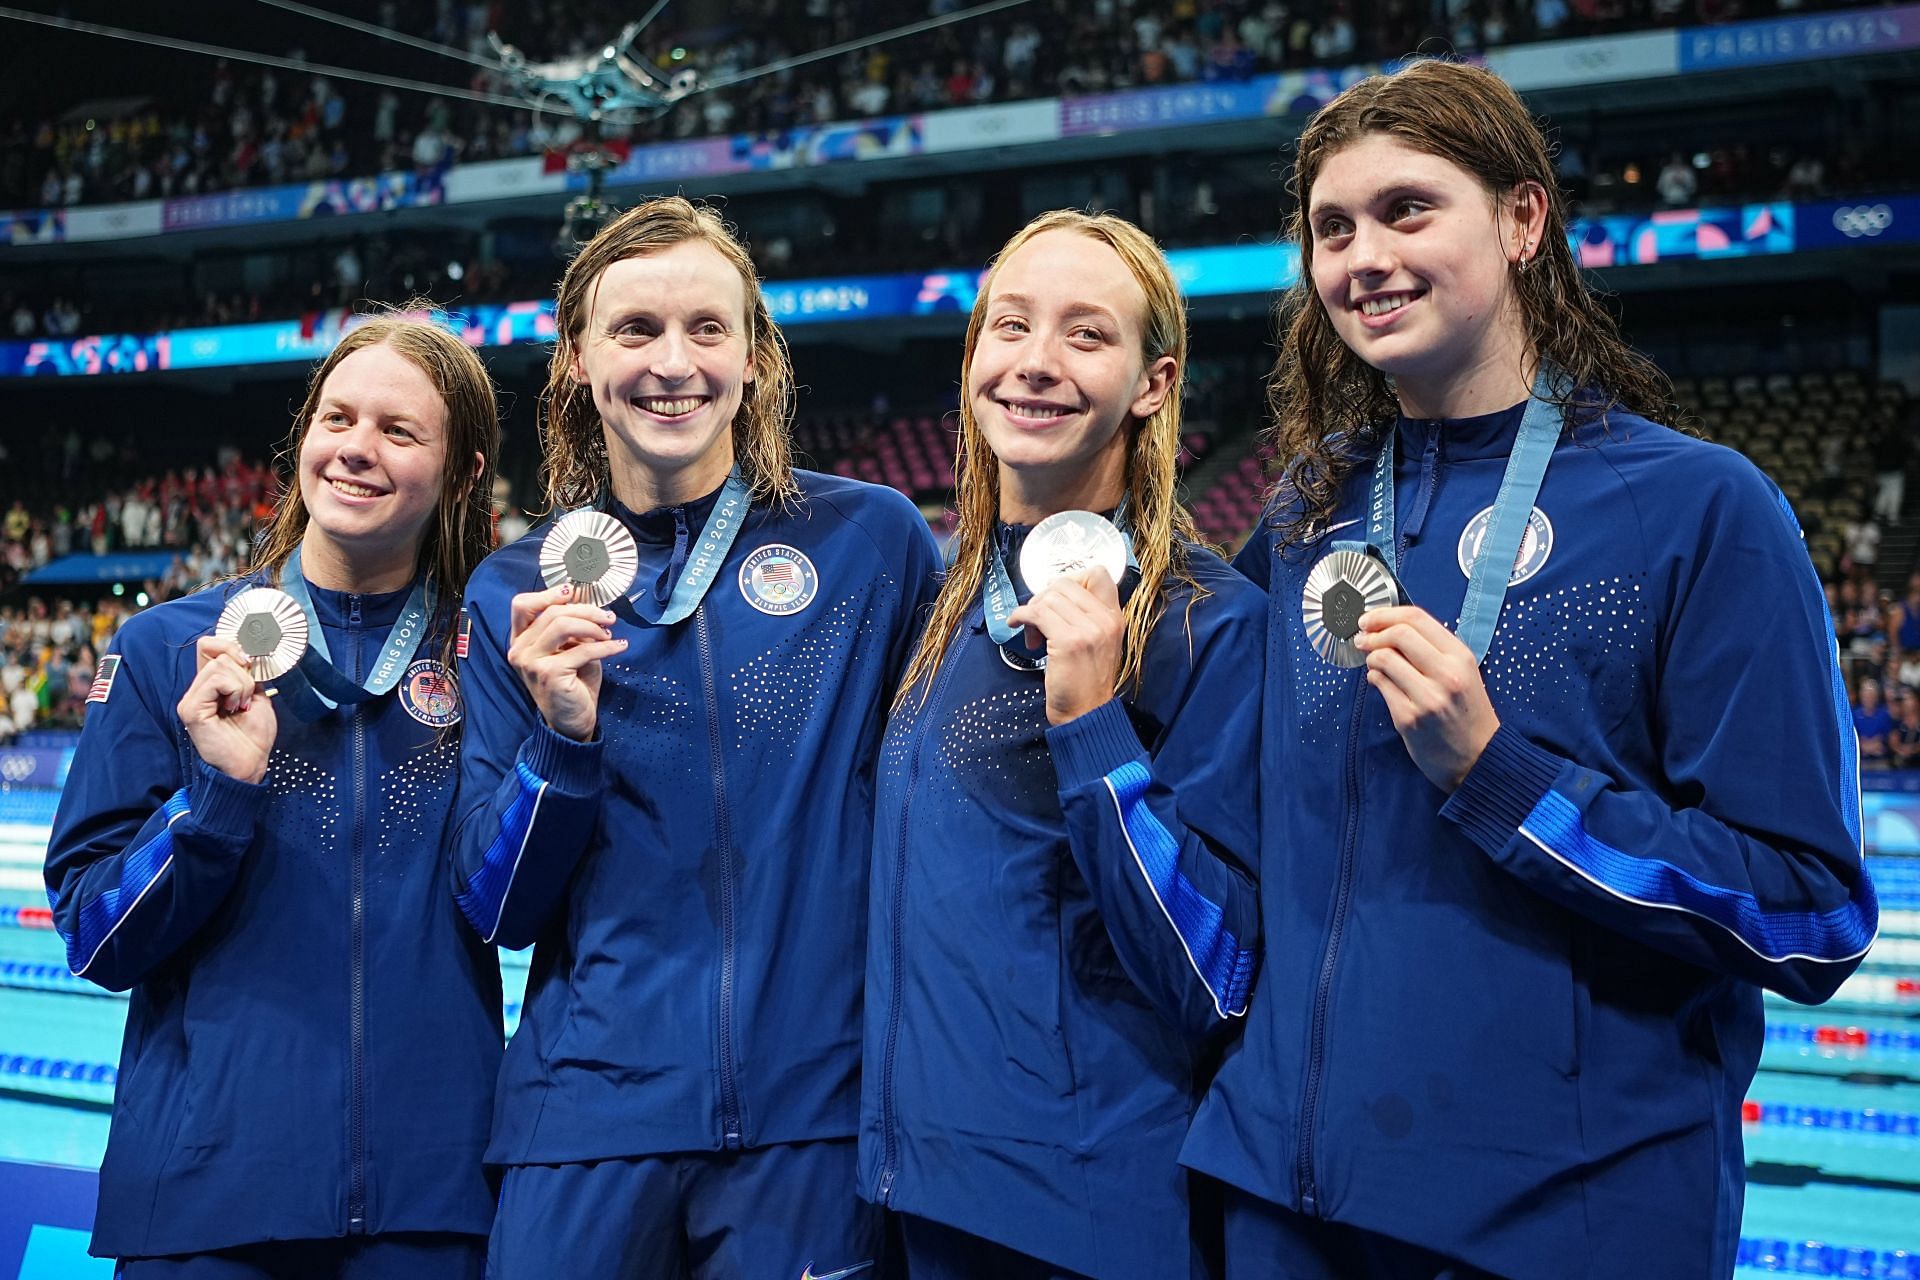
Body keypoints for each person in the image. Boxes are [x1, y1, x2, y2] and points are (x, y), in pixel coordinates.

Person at [1182, 60, 1877, 1280]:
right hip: (1285, 1205)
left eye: (1408, 209)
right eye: (1330, 228)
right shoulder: (1305, 516)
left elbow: (1809, 911)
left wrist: (1503, 775)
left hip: (1564, 1222)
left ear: (1520, 219)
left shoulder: (1699, 508)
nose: (1361, 256)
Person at [451, 197, 943, 1280]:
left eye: (707, 329)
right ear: (579, 359)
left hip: (811, 1125)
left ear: (757, 357)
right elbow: (498, 908)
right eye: (635, 330)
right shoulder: (512, 593)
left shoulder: (871, 542)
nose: (673, 362)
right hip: (584, 1120)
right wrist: (559, 740)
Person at [44, 315, 504, 1277]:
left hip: (432, 1201)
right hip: (209, 1199)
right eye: (338, 417)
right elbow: (92, 933)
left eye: (400, 431)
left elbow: (516, 899)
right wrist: (216, 798)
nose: (356, 449)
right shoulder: (170, 648)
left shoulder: (488, 653)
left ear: (462, 475)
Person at [859, 211, 1264, 1279]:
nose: (1035, 363)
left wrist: (1094, 733)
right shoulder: (933, 602)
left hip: (1083, 1212)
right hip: (904, 1194)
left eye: (1087, 335)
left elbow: (1216, 973)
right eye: (1011, 326)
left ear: (1153, 383)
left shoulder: (1207, 624)